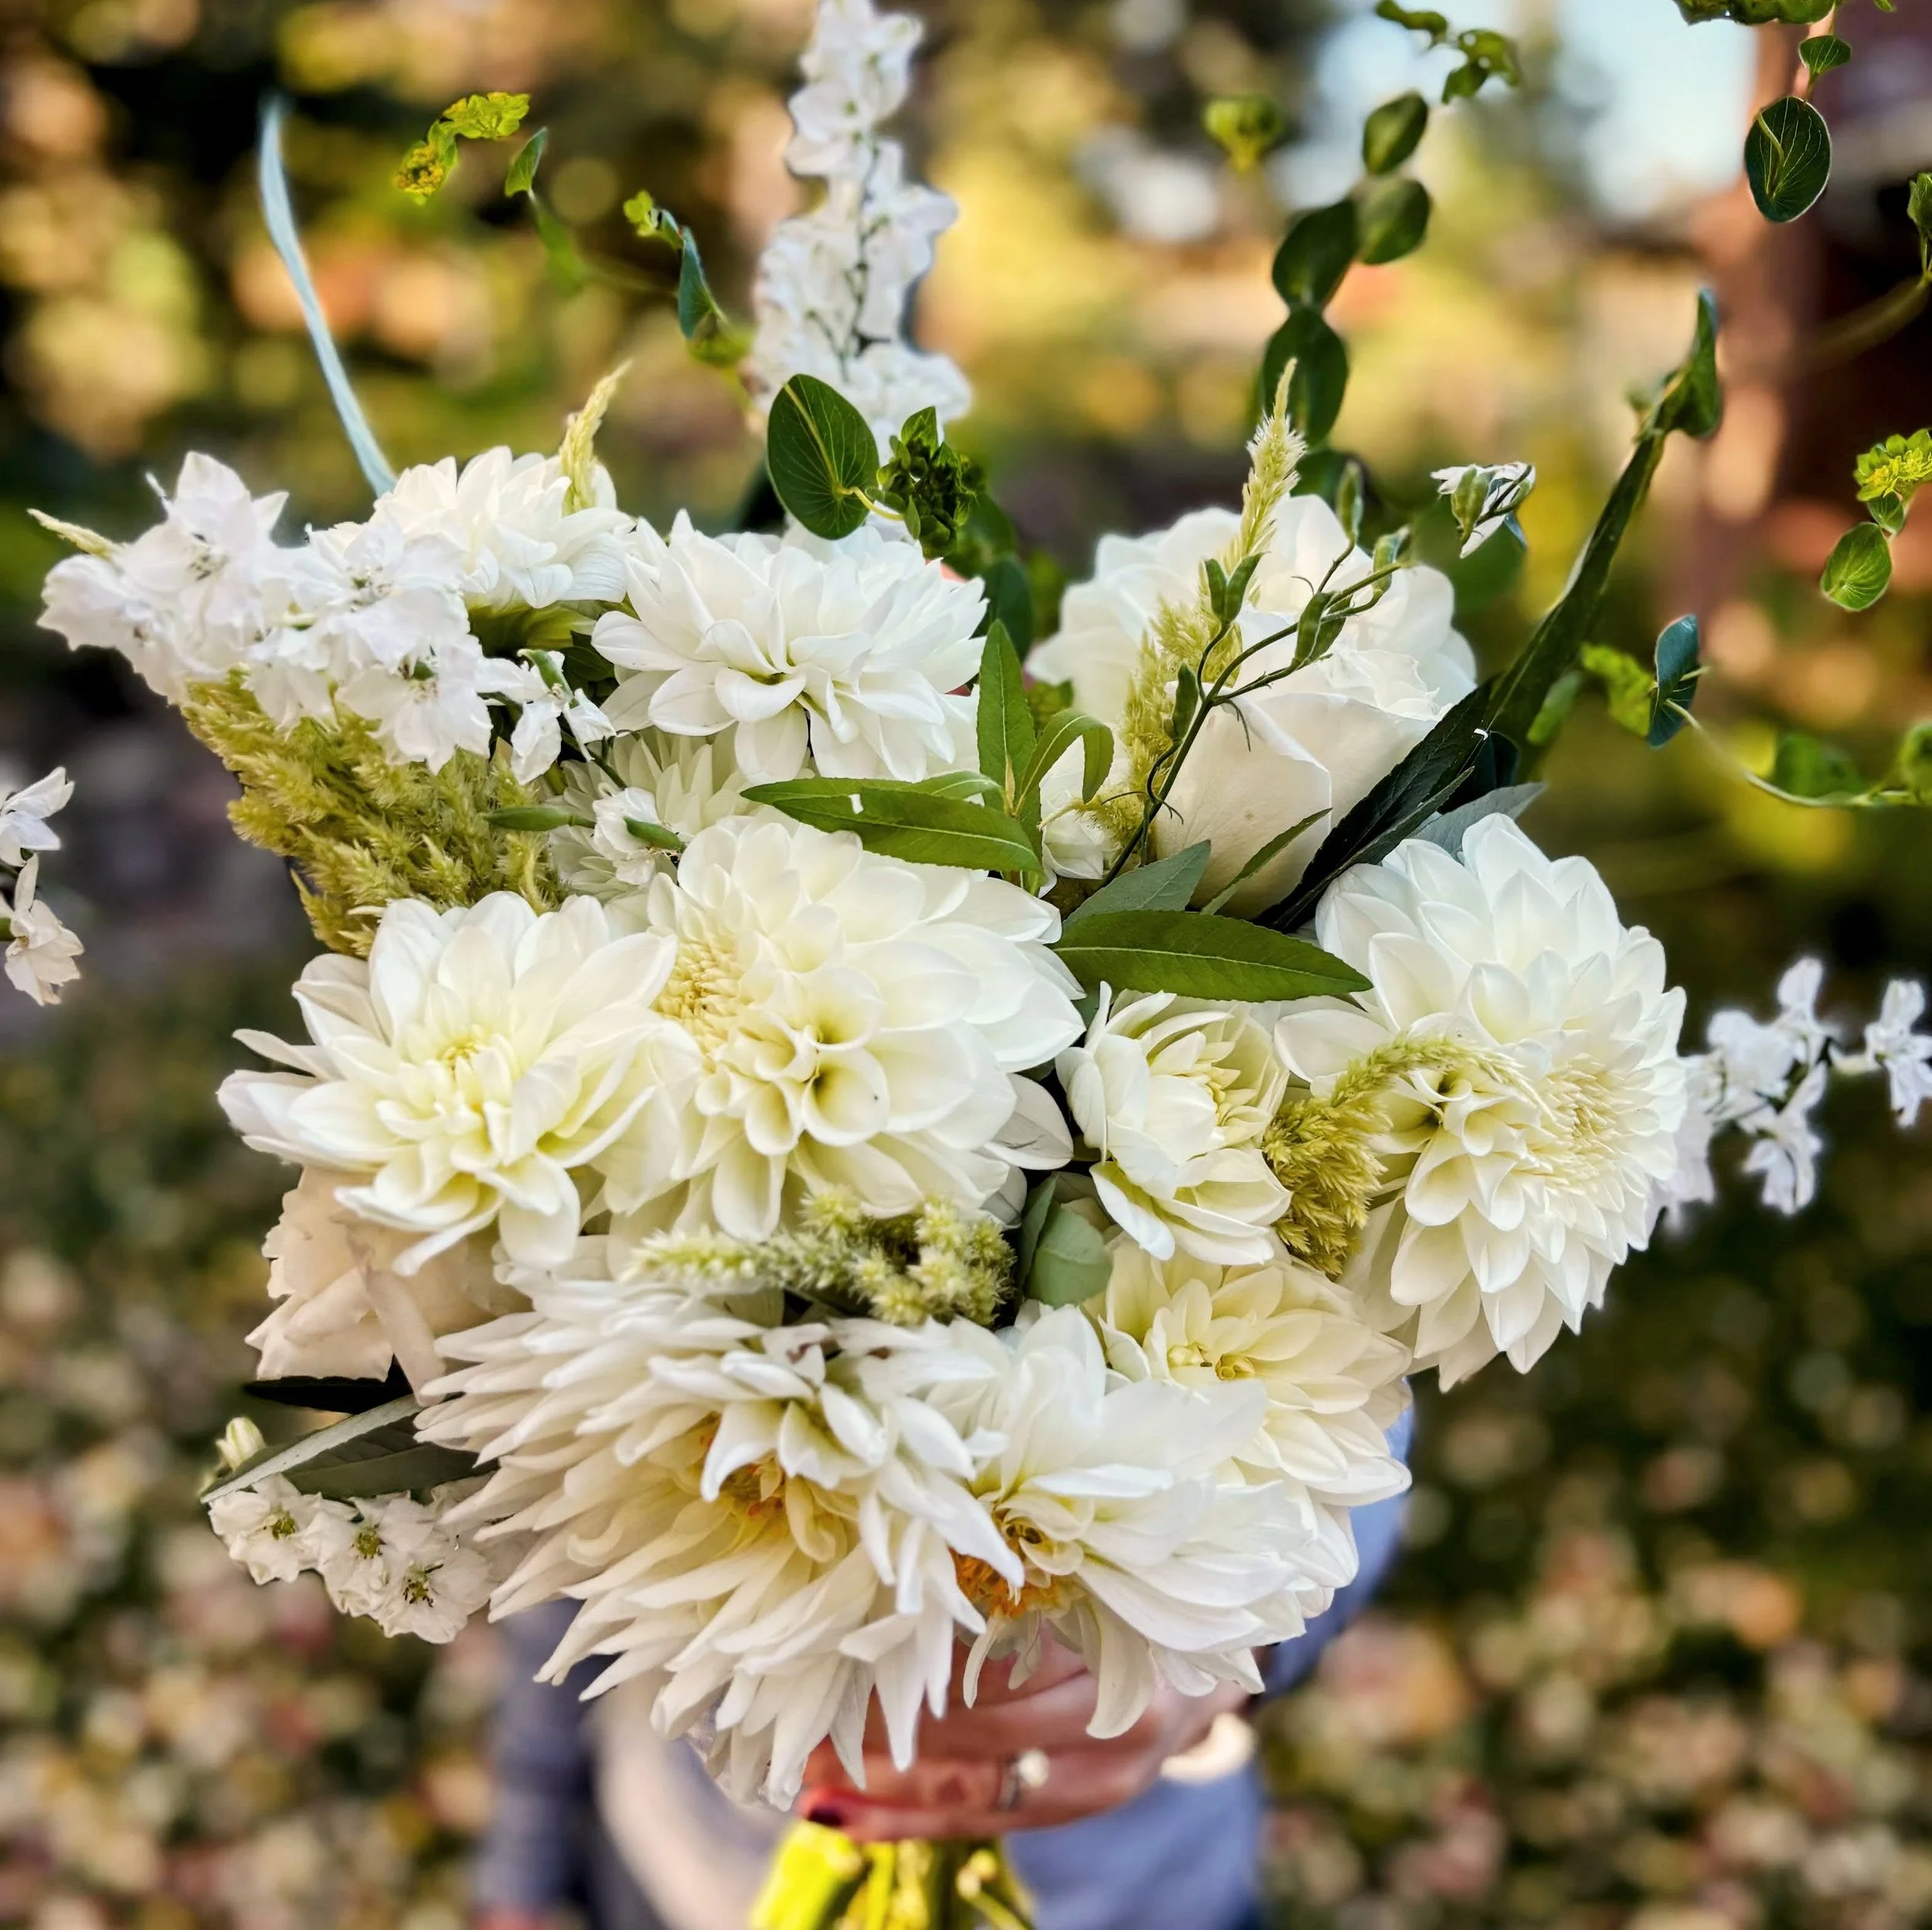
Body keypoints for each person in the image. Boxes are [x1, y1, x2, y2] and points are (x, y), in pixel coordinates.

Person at [471, 1417, 1412, 1930]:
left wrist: (1236, 1655)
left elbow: (1363, 1410)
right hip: (686, 1872)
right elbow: (577, 1541)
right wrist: (521, 1867)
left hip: (1131, 1890)